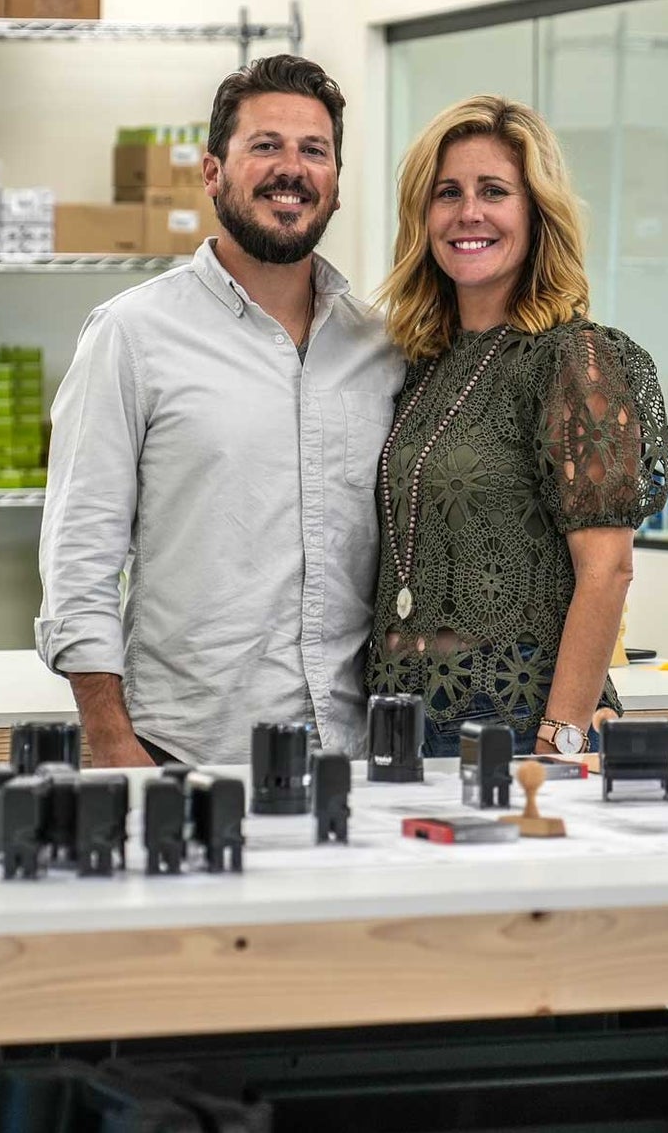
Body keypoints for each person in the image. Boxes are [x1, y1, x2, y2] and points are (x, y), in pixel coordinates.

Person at [37, 55, 403, 766]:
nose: (291, 168)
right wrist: (113, 744)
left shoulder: (381, 348)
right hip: (186, 754)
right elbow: (79, 557)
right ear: (212, 172)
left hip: (355, 758)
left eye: (314, 151)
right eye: (265, 145)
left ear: (334, 184)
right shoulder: (132, 335)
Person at [368, 95, 668, 759]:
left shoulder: (577, 361)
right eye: (447, 193)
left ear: (536, 215)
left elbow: (608, 570)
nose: (468, 213)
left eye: (494, 191)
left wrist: (560, 736)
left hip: (516, 716)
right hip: (402, 712)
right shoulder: (423, 364)